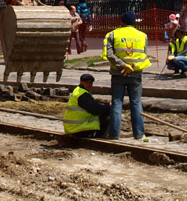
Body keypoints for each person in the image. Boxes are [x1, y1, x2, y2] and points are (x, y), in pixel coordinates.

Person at [103, 10, 151, 141]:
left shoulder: (113, 35)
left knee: (117, 103)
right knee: (136, 103)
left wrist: (122, 65)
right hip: (135, 74)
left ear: (122, 21)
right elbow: (143, 56)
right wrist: (132, 67)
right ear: (134, 22)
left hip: (118, 73)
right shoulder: (143, 36)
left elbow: (109, 55)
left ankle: (114, 134)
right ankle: (139, 133)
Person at [62, 73, 111, 137]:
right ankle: (99, 138)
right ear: (81, 82)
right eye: (87, 82)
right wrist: (109, 107)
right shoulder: (82, 94)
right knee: (108, 116)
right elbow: (96, 109)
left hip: (73, 128)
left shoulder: (78, 90)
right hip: (79, 129)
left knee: (104, 110)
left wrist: (105, 106)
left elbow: (93, 105)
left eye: (91, 83)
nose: (89, 85)